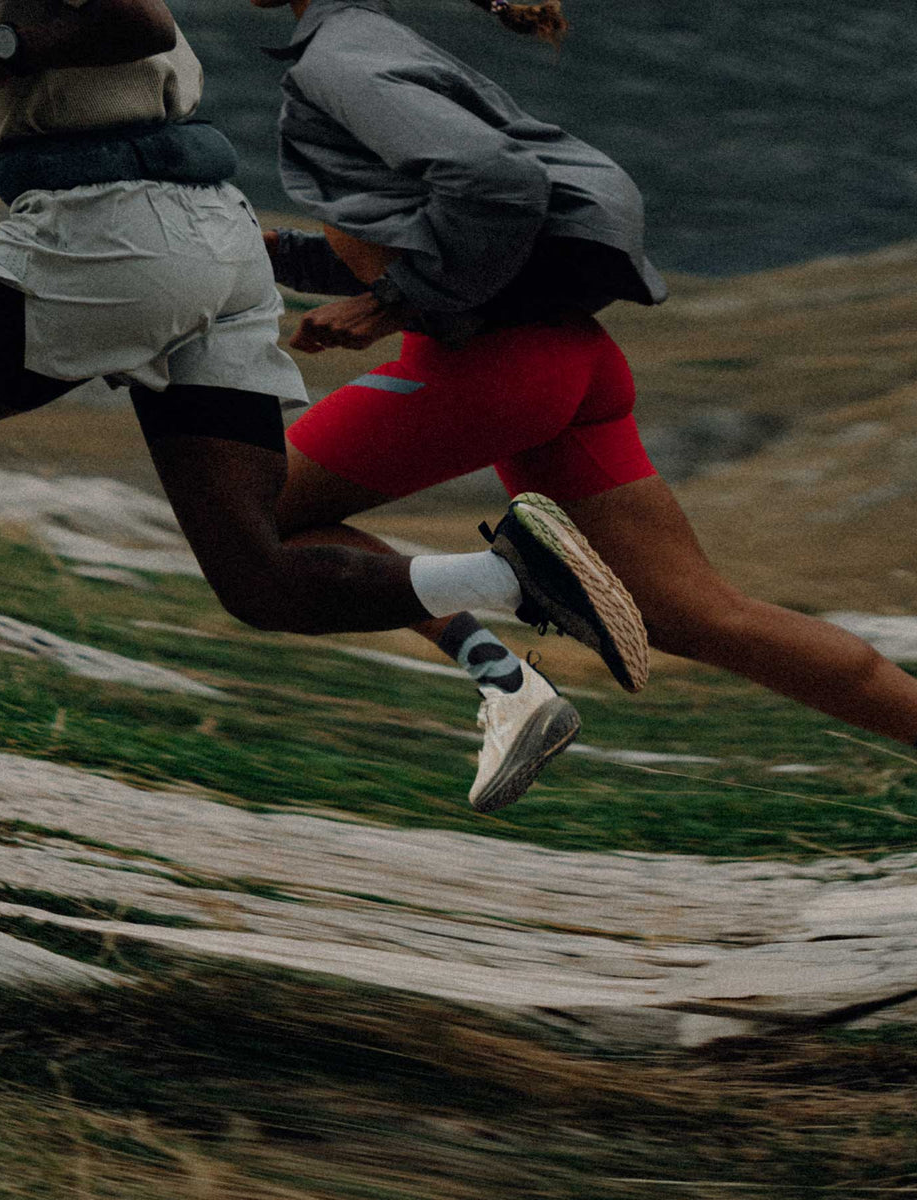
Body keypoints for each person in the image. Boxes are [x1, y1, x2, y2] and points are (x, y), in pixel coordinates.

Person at [0, 0, 649, 822]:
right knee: (255, 574)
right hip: (212, 234)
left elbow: (131, 18)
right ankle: (511, 578)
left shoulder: (330, 57)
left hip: (110, 226)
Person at [252, 0, 917, 812]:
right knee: (708, 619)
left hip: (493, 363)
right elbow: (458, 223)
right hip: (568, 357)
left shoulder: (336, 61)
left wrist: (391, 301)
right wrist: (287, 255)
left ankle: (513, 649)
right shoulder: (377, 44)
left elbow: (497, 186)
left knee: (250, 518)